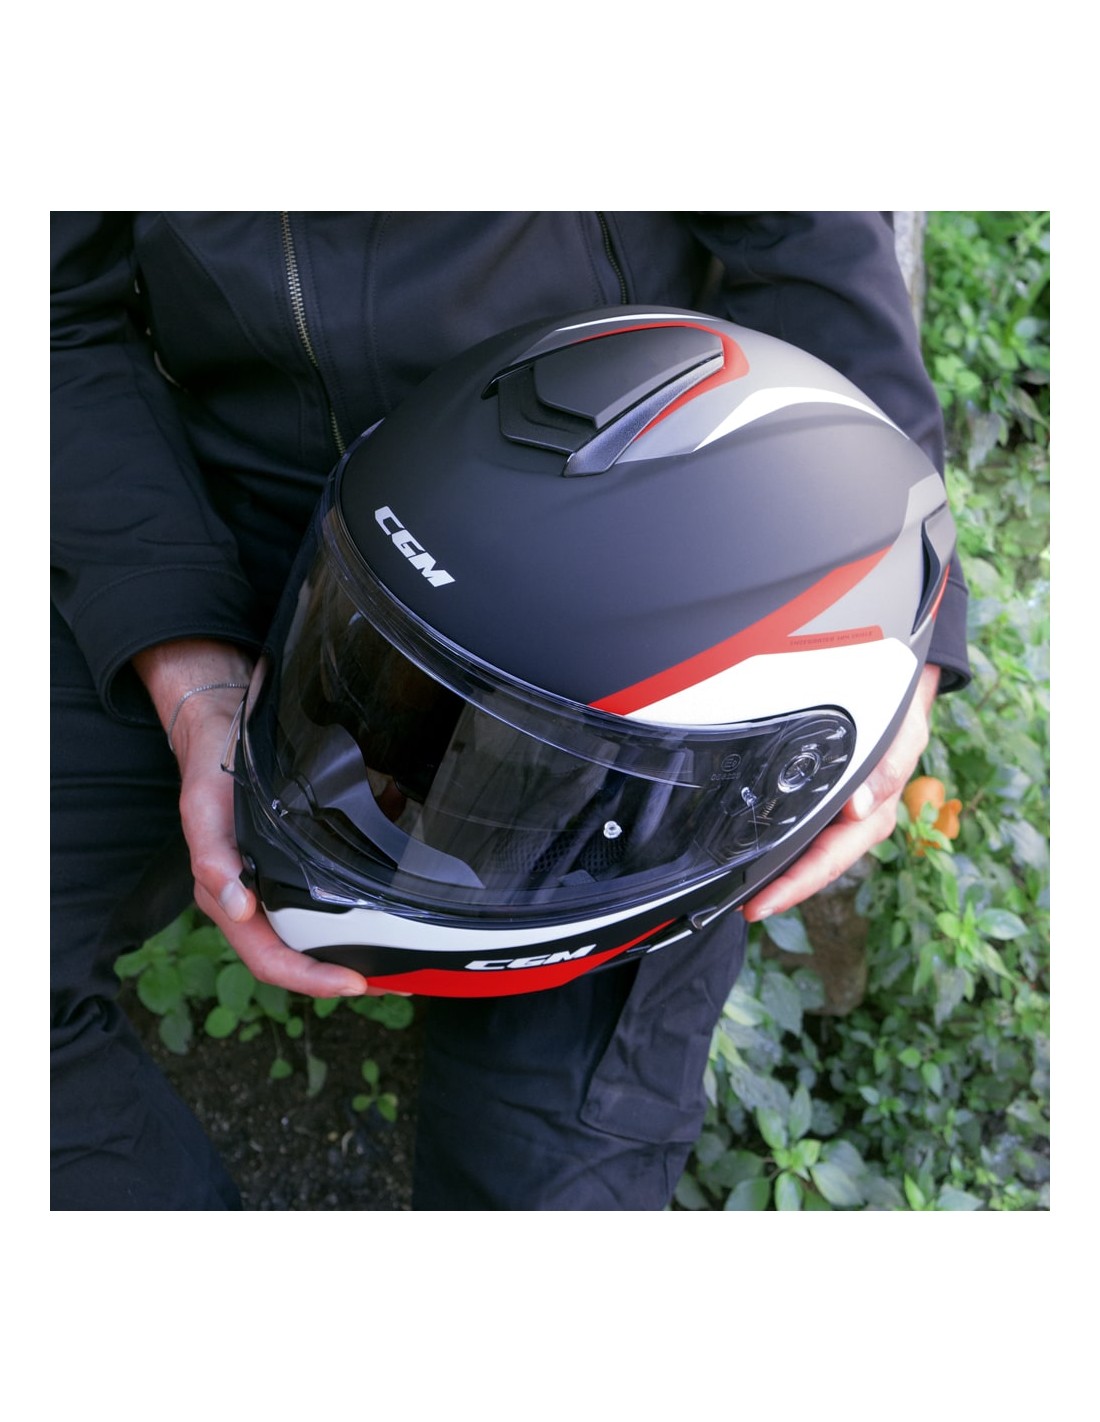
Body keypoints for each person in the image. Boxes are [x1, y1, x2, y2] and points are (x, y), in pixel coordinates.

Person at [51, 212, 970, 1210]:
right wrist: (185, 664)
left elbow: (806, 232)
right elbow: (52, 307)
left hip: (613, 616)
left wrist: (890, 591)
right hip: (216, 517)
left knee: (541, 1181)